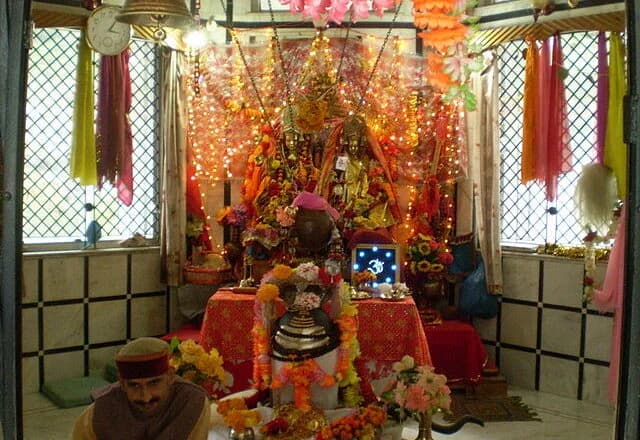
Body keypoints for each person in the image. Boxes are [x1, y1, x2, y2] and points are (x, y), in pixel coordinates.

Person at [72, 337, 210, 440]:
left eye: (154, 383)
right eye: (135, 385)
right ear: (122, 383)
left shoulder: (191, 402)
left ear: (170, 376)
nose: (146, 397)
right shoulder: (100, 412)